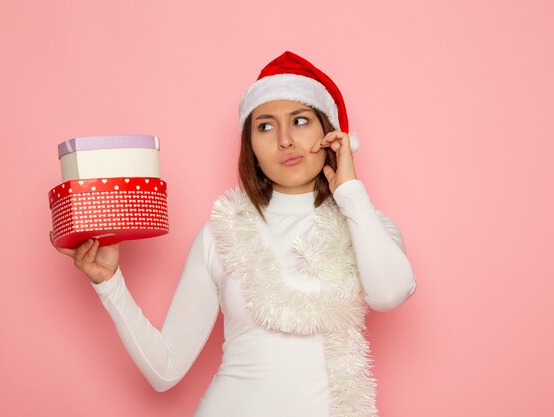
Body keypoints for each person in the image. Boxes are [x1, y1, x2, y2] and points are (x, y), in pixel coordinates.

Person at [51, 51, 417, 417]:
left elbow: (389, 293)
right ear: (252, 147)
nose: (285, 140)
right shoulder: (220, 232)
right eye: (266, 127)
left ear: (331, 135)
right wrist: (110, 284)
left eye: (301, 120)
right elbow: (165, 370)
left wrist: (350, 191)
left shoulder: (369, 226)